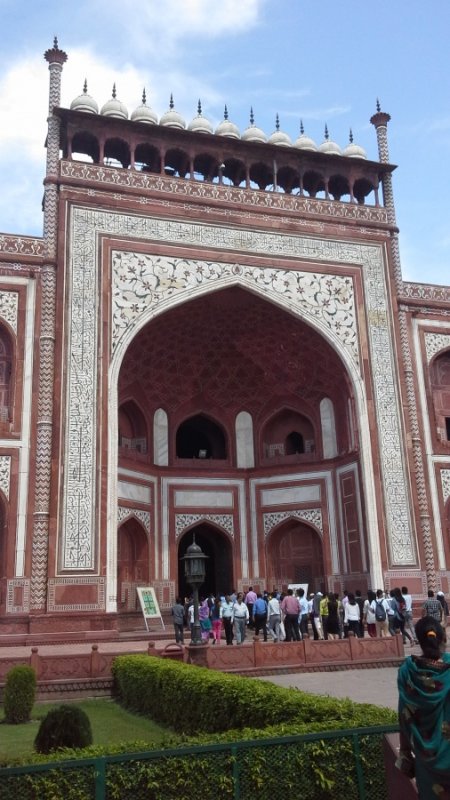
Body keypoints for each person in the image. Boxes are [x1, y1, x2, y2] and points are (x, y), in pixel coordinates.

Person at [397, 616, 450, 798]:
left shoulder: (408, 671)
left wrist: (405, 752)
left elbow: (404, 715)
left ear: (419, 641)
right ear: (443, 638)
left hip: (425, 762)